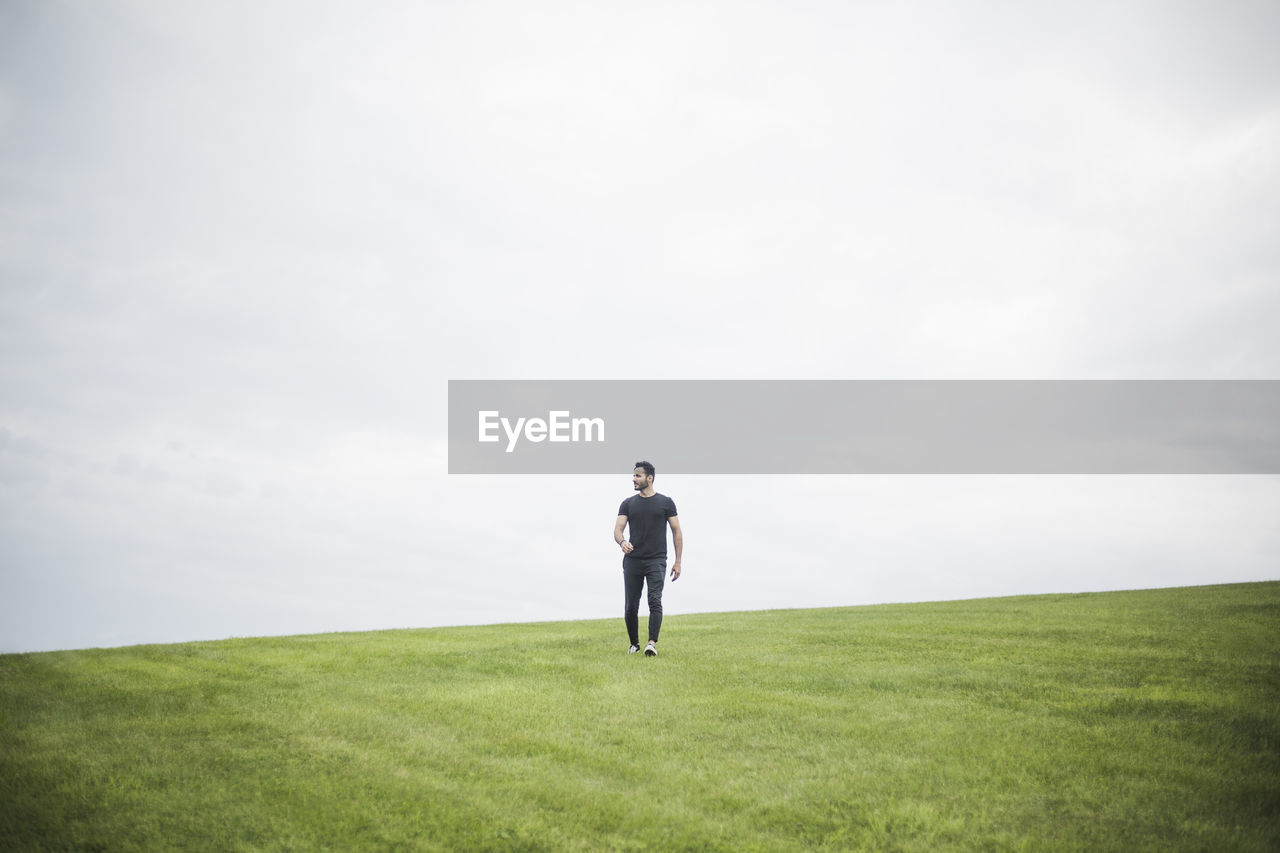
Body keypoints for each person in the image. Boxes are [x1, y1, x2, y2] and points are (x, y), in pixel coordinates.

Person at [613, 460, 682, 656]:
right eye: (634, 475)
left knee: (654, 600)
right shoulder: (628, 503)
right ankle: (634, 644)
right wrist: (622, 542)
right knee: (631, 605)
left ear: (649, 478)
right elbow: (618, 529)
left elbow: (676, 531)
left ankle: (651, 643)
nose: (634, 479)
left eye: (638, 475)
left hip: (656, 560)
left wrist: (678, 561)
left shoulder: (665, 502)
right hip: (633, 560)